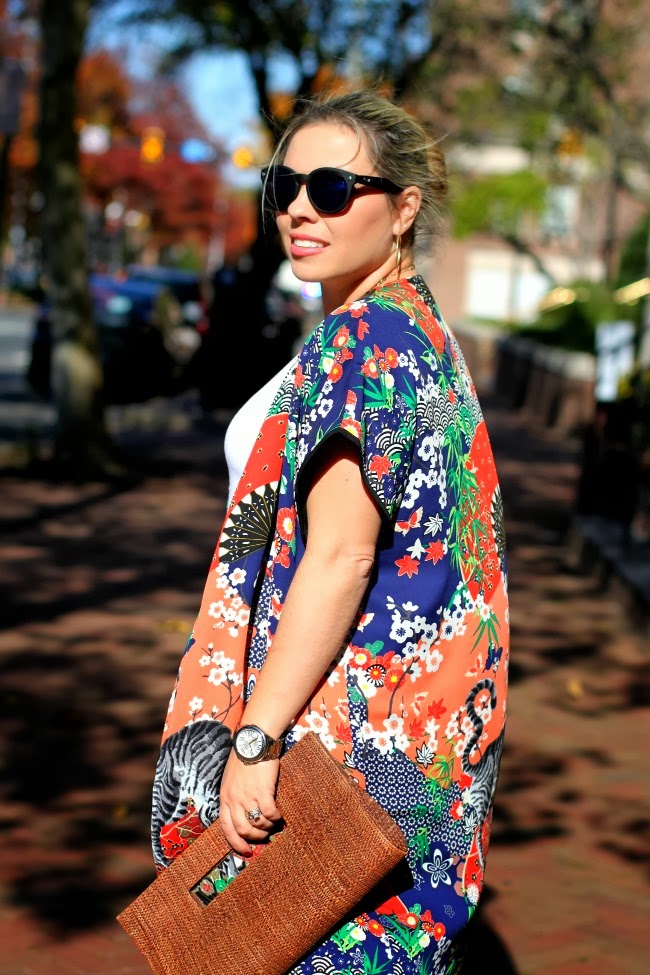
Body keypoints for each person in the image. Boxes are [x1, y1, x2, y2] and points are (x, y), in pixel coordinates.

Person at [151, 89, 509, 974]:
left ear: (404, 208)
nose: (300, 209)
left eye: (334, 188)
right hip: (409, 756)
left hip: (329, 756)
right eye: (285, 187)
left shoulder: (363, 344)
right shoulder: (422, 331)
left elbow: (343, 556)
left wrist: (255, 741)